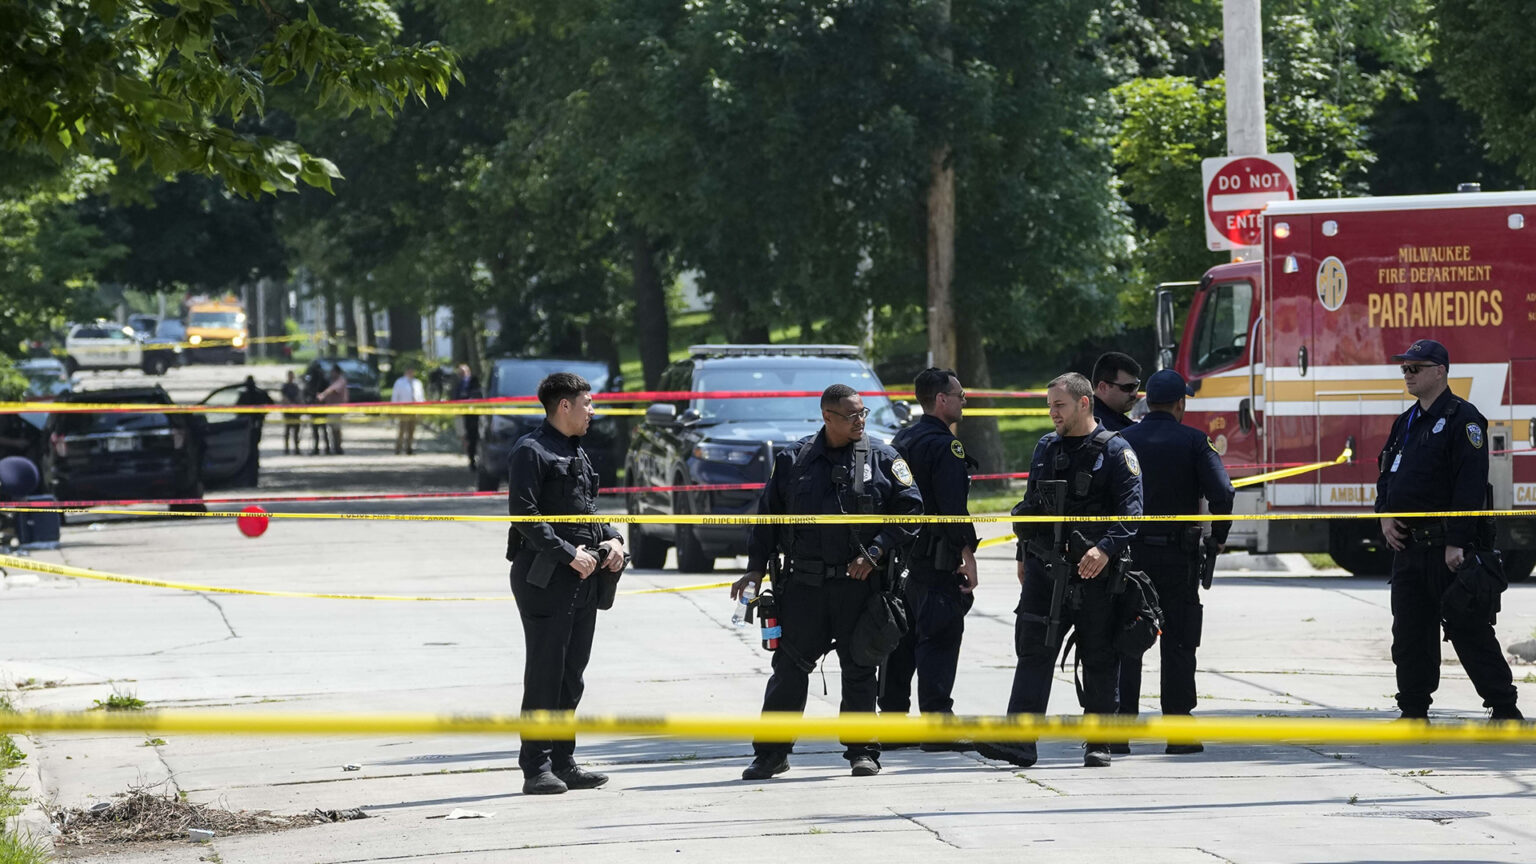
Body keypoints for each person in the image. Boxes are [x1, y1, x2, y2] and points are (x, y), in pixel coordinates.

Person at [731, 384, 924, 780]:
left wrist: (876, 551)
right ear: (827, 417)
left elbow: (912, 512)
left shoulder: (884, 457)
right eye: (851, 415)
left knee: (859, 669)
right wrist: (754, 568)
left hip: (860, 588)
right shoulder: (795, 460)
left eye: (863, 413)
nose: (860, 421)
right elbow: (768, 517)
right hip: (804, 587)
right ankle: (771, 753)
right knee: (788, 669)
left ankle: (862, 752)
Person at [984, 372, 1142, 769]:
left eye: (1060, 405)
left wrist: (1104, 551)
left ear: (1084, 403)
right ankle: (1019, 742)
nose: (1052, 412)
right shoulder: (1045, 448)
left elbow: (1133, 513)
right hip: (1045, 570)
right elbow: (1030, 505)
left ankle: (1099, 742)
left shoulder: (1117, 450)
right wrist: (1023, 553)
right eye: (1050, 405)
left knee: (1099, 655)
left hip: (1095, 574)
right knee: (1033, 651)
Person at [1376, 339, 1521, 721]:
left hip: (1446, 546)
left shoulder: (1463, 419)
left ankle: (1504, 708)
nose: (1407, 375)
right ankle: (1413, 710)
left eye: (1415, 368)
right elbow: (1386, 472)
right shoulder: (1405, 422)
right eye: (1404, 369)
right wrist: (1384, 514)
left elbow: (1470, 485)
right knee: (1409, 633)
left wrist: (1456, 541)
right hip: (1408, 547)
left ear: (1439, 371)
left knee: (1467, 627)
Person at [507, 372, 628, 795]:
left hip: (584, 577)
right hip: (546, 577)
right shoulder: (531, 451)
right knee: (545, 671)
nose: (592, 411)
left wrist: (613, 538)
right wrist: (567, 553)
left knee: (572, 674)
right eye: (587, 403)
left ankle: (564, 760)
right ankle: (536, 768)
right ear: (564, 406)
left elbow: (588, 510)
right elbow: (524, 516)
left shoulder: (577, 451)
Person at [1114, 369, 1235, 753]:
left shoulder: (1122, 440)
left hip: (1131, 557)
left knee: (1128, 639)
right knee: (1180, 642)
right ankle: (1179, 729)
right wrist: (1217, 539)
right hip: (1178, 558)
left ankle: (1119, 731)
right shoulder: (1196, 442)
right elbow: (1224, 494)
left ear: (1148, 402)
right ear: (1181, 403)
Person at [878, 368, 978, 750]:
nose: (964, 400)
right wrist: (967, 555)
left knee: (899, 641)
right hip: (936, 563)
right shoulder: (945, 446)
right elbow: (953, 510)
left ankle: (892, 724)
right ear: (941, 399)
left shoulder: (901, 439)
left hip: (899, 560)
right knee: (940, 637)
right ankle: (938, 727)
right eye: (959, 394)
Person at [234, 376, 274, 478]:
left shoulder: (246, 395)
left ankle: (251, 466)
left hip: (250, 424)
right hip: (253, 423)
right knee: (253, 447)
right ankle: (252, 466)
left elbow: (236, 409)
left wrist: (263, 414)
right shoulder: (258, 394)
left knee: (251, 447)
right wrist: (263, 414)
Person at [1090, 351, 1142, 432]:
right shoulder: (1100, 427)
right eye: (1128, 387)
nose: (1134, 393)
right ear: (1103, 387)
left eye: (1136, 385)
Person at [453, 363, 483, 471]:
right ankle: (472, 460)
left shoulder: (475, 381)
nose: (461, 374)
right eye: (459, 373)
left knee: (477, 437)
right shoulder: (458, 384)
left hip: (476, 415)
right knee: (469, 438)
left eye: (463, 372)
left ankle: (479, 459)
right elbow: (455, 397)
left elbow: (478, 394)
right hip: (465, 415)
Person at [391, 367, 425, 455]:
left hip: (414, 409)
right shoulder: (400, 382)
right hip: (403, 409)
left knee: (412, 429)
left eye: (412, 371)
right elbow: (395, 396)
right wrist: (394, 409)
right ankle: (398, 447)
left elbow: (421, 397)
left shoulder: (417, 383)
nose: (411, 372)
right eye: (409, 371)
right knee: (402, 429)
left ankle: (409, 447)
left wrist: (422, 409)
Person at [316, 365, 348, 455]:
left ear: (337, 372)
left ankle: (338, 447)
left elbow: (332, 390)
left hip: (337, 409)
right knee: (333, 429)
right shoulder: (333, 381)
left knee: (336, 429)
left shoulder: (340, 381)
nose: (331, 373)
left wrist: (322, 395)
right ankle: (335, 446)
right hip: (331, 408)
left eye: (332, 371)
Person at [280, 371, 303, 455]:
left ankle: (296, 448)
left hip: (296, 412)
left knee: (296, 431)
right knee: (287, 430)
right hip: (288, 411)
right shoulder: (285, 386)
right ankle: (286, 448)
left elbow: (299, 397)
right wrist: (290, 404)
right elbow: (283, 397)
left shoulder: (296, 387)